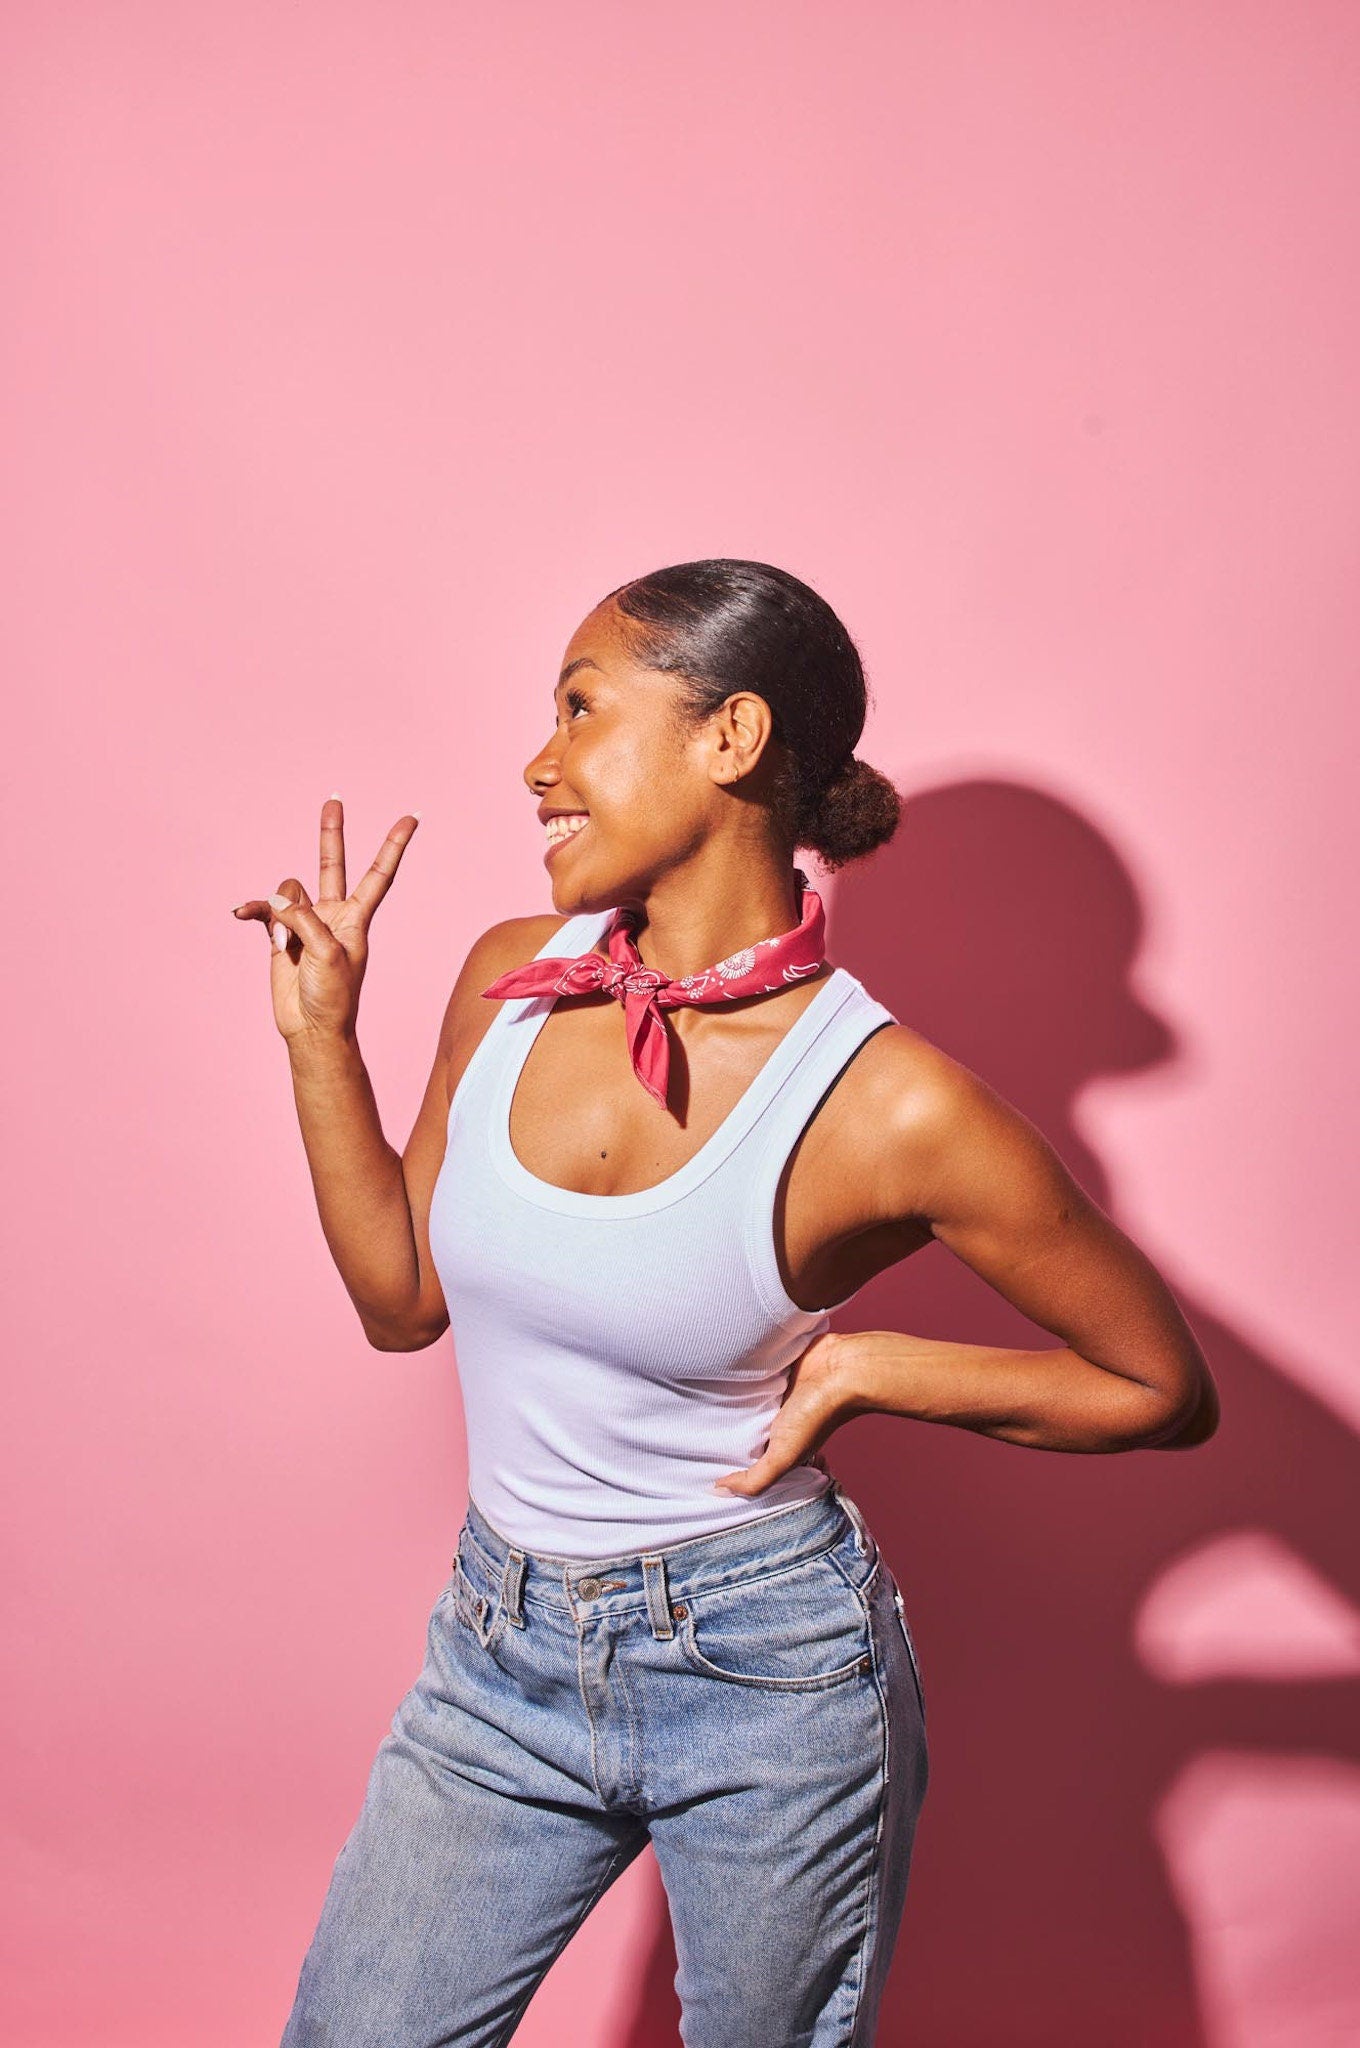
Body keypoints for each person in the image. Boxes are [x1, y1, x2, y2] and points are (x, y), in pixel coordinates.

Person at [235, 559, 1219, 2047]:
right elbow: (402, 1300)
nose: (536, 760)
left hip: (766, 1678)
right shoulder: (513, 977)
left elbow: (1159, 1388)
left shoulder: (890, 1108)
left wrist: (876, 1367)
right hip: (494, 1656)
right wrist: (321, 1041)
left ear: (731, 737)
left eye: (579, 707)